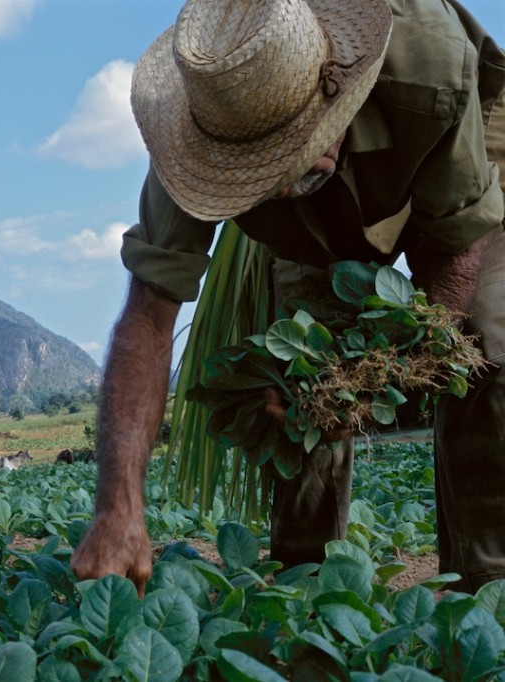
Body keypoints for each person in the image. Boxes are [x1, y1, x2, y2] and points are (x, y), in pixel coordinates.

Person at [71, 0, 505, 596]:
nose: (285, 171)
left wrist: (378, 378)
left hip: (466, 135)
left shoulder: (429, 64)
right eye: (261, 162)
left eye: (302, 143)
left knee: (485, 341)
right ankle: (302, 583)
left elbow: (458, 247)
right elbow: (148, 314)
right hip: (318, 204)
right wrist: (117, 507)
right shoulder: (200, 124)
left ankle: (487, 583)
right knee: (299, 384)